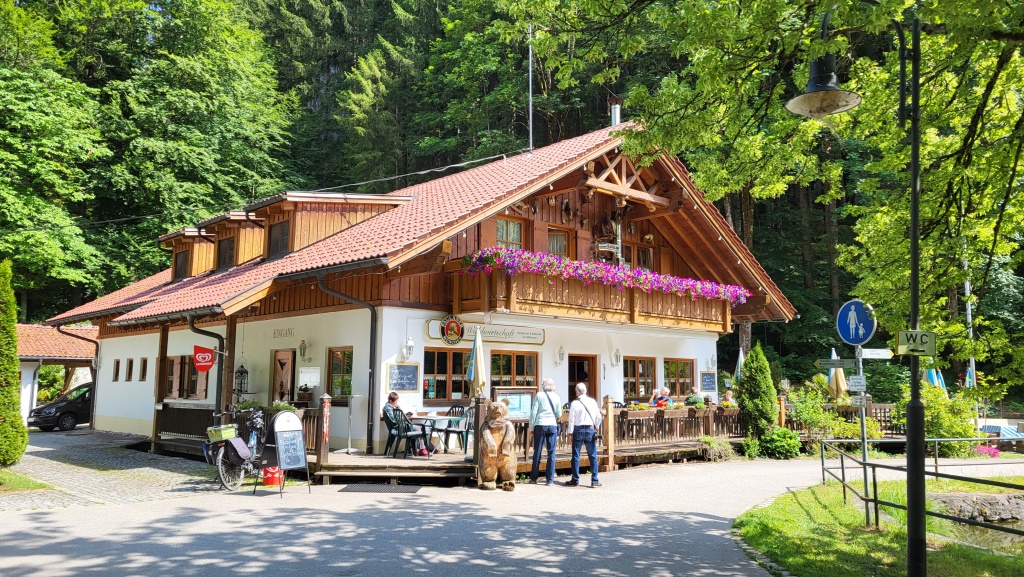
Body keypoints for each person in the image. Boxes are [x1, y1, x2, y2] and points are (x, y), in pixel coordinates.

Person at [567, 382, 602, 487]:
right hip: (590, 429)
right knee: (592, 456)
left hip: (578, 430)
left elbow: (571, 420)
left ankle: (575, 479)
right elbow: (599, 417)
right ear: (585, 391)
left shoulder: (574, 403)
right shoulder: (592, 402)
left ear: (577, 392)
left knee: (576, 456)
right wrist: (596, 426)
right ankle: (594, 480)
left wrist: (570, 433)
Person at [529, 378, 563, 485]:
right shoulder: (557, 396)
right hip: (552, 425)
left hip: (540, 424)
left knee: (537, 451)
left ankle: (534, 478)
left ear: (544, 386)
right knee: (551, 453)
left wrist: (531, 428)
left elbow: (533, 412)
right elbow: (559, 414)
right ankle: (550, 480)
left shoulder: (539, 395)